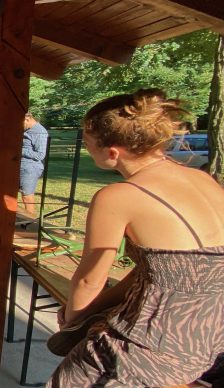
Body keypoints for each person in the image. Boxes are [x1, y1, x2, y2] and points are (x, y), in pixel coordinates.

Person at [50, 89, 224, 386]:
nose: (87, 150)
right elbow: (166, 270)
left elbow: (89, 279)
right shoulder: (202, 178)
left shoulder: (118, 196)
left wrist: (72, 323)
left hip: (151, 342)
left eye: (89, 145)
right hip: (206, 339)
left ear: (112, 152)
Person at [19, 112, 48, 216]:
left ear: (28, 118)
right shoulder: (27, 130)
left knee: (27, 196)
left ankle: (29, 222)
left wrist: (19, 150)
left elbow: (40, 155)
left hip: (30, 168)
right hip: (20, 166)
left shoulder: (39, 132)